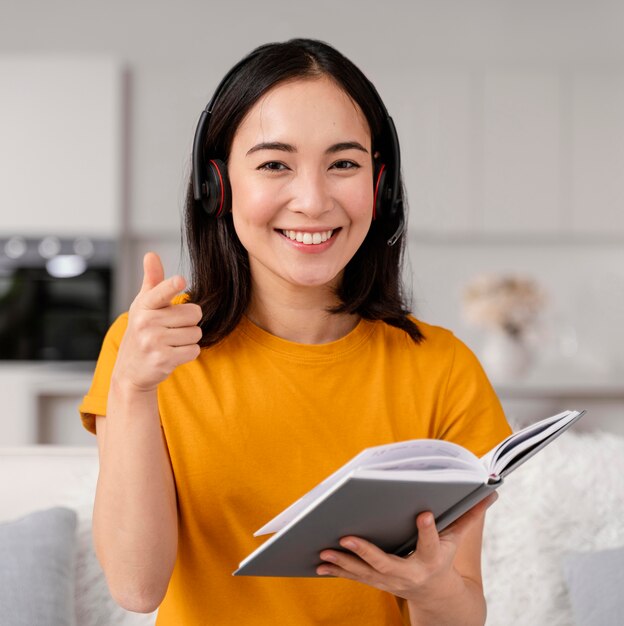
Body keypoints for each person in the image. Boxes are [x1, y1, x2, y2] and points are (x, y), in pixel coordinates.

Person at [79, 38, 512, 626]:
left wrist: (431, 588)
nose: (312, 200)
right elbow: (136, 587)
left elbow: (462, 615)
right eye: (274, 164)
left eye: (344, 163)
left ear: (379, 186)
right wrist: (132, 388)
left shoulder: (442, 367)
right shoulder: (149, 348)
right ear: (218, 185)